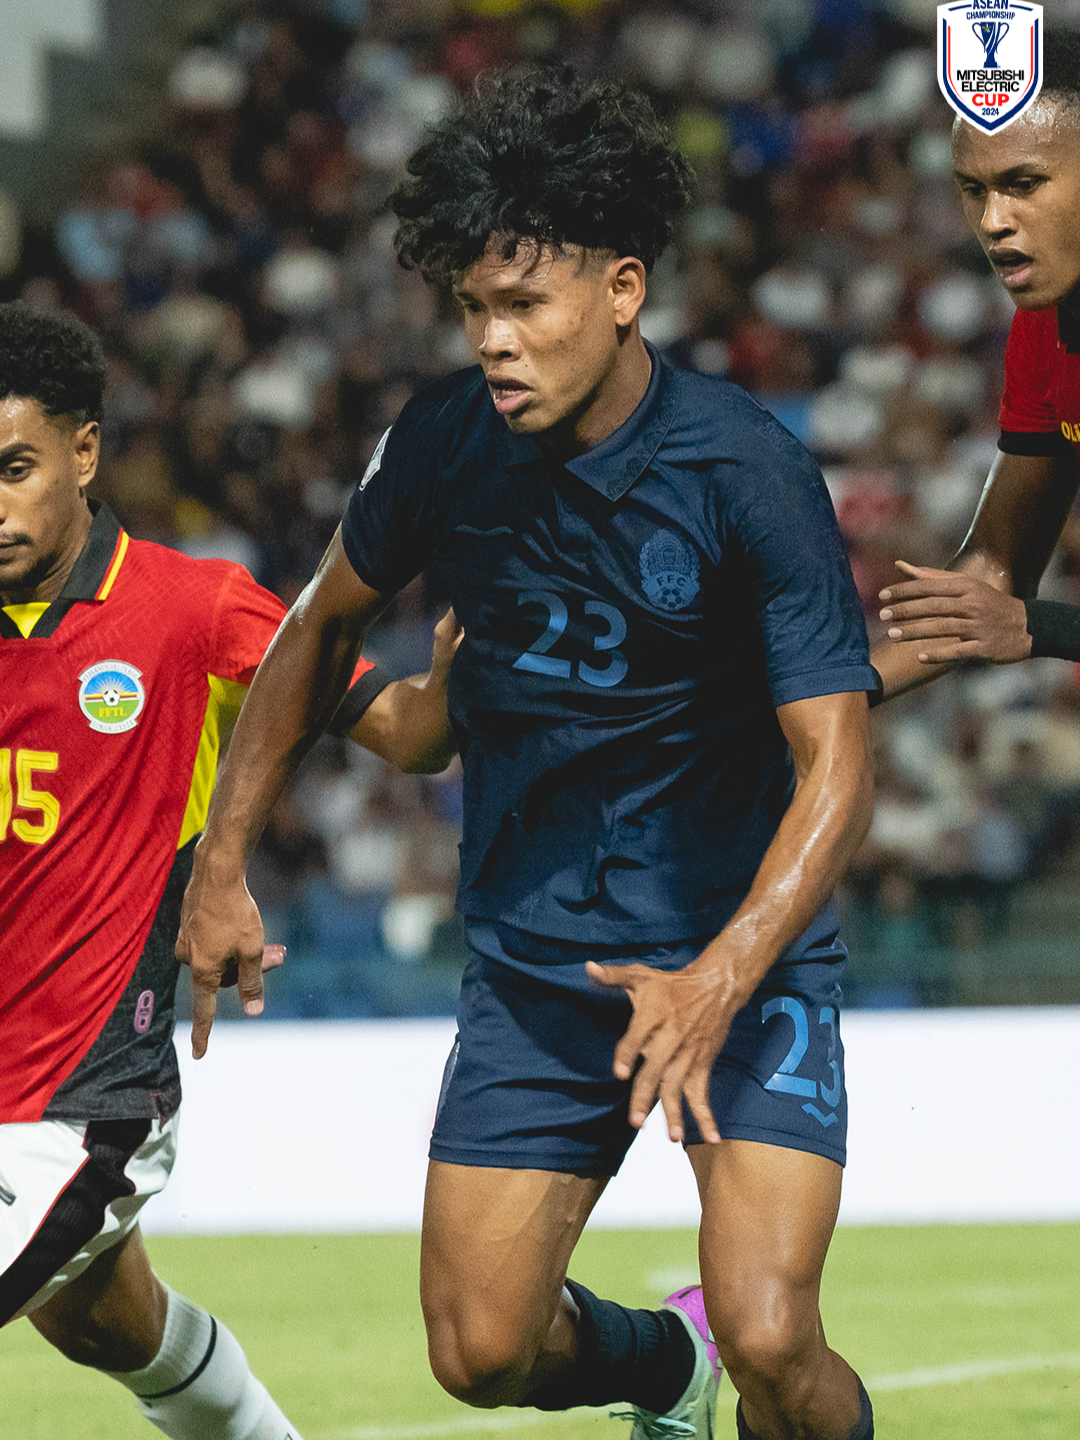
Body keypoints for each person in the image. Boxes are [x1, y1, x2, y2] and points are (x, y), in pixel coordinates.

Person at [178, 71, 878, 1440]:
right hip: (538, 966)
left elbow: (837, 765)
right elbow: (316, 633)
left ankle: (729, 1359)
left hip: (742, 958)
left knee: (777, 1335)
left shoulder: (746, 472)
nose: (495, 342)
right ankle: (665, 1378)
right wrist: (224, 860)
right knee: (480, 1351)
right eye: (473, 310)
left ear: (622, 291)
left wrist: (723, 975)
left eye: (526, 306)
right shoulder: (445, 443)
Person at [0, 301, 457, 1440]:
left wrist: (461, 684)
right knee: (109, 1327)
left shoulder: (186, 609)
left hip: (79, 1099)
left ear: (85, 450)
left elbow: (404, 733)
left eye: (13, 468)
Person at [871, 33, 1080, 692]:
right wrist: (821, 704)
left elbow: (1013, 615)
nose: (992, 221)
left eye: (1023, 184)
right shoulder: (1041, 332)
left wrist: (1041, 626)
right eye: (973, 189)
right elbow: (993, 569)